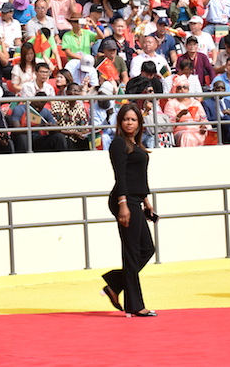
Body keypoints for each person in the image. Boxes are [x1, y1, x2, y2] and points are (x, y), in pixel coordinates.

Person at [102, 103, 157, 318]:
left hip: (136, 200)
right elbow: (121, 176)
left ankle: (115, 284)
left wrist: (146, 201)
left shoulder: (136, 143)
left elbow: (139, 176)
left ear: (139, 122)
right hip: (123, 201)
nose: (129, 123)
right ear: (120, 122)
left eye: (133, 119)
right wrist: (123, 204)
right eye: (126, 119)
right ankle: (135, 305)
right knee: (133, 253)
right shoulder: (118, 143)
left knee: (146, 249)